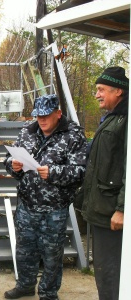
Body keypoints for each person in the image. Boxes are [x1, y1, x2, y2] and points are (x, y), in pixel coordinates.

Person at [3, 94, 87, 300]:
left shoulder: (73, 136)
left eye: (46, 115)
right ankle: (25, 285)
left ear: (58, 114)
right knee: (24, 251)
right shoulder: (27, 132)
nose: (41, 120)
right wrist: (12, 166)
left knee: (51, 255)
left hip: (54, 209)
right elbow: (9, 158)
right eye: (38, 115)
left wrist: (54, 173)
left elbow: (81, 172)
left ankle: (48, 293)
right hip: (27, 205)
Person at [76, 66, 129, 300]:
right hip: (102, 210)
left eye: (101, 90)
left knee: (110, 273)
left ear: (118, 91)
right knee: (104, 272)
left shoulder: (125, 120)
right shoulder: (112, 119)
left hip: (112, 215)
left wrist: (122, 209)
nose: (96, 94)